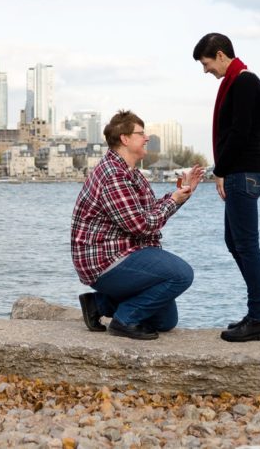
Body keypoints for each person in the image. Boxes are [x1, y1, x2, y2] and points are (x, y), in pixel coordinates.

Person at [71, 110, 204, 340]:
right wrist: (174, 200)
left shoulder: (132, 173)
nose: (147, 138)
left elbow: (150, 211)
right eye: (141, 133)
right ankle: (124, 320)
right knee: (182, 274)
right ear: (124, 139)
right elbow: (141, 225)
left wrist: (181, 194)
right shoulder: (113, 175)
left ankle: (99, 304)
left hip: (124, 253)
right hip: (105, 260)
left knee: (165, 320)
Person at [192, 32, 260, 343]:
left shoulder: (243, 83)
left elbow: (239, 134)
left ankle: (258, 318)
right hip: (244, 172)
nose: (206, 70)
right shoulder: (239, 82)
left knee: (246, 246)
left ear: (222, 55)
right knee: (235, 241)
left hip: (244, 173)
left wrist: (221, 171)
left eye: (206, 62)